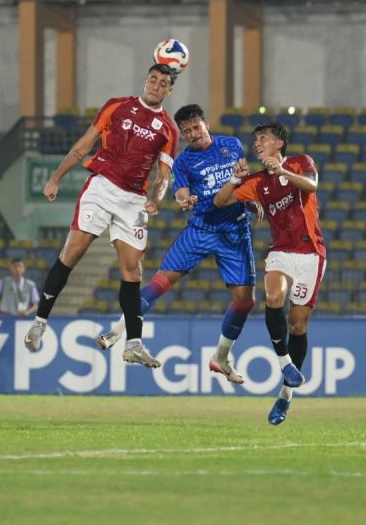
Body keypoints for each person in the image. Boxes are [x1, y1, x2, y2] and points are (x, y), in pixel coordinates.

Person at [24, 62, 180, 368]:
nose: (156, 85)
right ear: (145, 80)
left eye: (163, 83)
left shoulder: (169, 130)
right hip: (101, 187)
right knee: (71, 254)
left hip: (133, 200)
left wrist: (155, 199)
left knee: (133, 271)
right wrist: (56, 177)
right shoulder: (117, 106)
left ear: (170, 90)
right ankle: (40, 321)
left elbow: (163, 176)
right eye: (153, 79)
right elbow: (83, 146)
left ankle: (133, 344)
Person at [96, 104, 260, 384]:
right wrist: (184, 199)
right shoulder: (183, 161)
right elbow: (181, 192)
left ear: (206, 123)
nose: (194, 134)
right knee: (161, 281)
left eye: (197, 127)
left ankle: (221, 357)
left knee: (246, 301)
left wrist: (252, 201)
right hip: (201, 228)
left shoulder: (231, 145)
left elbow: (241, 183)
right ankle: (119, 328)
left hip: (234, 230)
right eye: (187, 132)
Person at [214, 121, 325, 426]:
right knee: (273, 296)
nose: (257, 143)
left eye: (262, 138)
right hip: (281, 251)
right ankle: (285, 363)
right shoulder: (258, 181)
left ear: (279, 143)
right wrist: (235, 180)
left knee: (298, 325)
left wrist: (283, 171)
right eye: (255, 140)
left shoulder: (300, 162)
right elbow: (220, 201)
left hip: (310, 253)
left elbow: (311, 186)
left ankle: (285, 396)